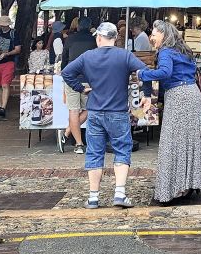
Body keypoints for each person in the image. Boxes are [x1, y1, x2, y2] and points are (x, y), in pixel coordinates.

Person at [62, 21, 145, 209]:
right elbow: (144, 71)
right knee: (122, 150)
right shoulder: (124, 55)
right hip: (118, 112)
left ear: (99, 38)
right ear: (115, 38)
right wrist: (145, 91)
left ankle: (93, 197)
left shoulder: (88, 56)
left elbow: (67, 72)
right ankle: (120, 194)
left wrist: (80, 88)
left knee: (94, 152)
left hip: (95, 111)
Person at [138, 19, 201, 204]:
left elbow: (165, 73)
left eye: (154, 34)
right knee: (189, 141)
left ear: (163, 35)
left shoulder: (166, 51)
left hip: (178, 96)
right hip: (192, 93)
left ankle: (174, 189)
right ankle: (187, 185)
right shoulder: (183, 50)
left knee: (172, 142)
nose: (151, 38)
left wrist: (142, 74)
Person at [62, 16, 99, 152]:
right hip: (89, 79)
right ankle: (68, 133)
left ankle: (77, 142)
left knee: (73, 110)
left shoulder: (70, 39)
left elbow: (64, 60)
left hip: (71, 78)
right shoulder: (94, 40)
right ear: (90, 27)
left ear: (78, 26)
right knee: (91, 108)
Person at [0, 15, 21, 119]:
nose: (3, 27)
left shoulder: (13, 33)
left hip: (8, 62)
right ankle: (0, 106)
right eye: (1, 25)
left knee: (5, 84)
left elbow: (18, 49)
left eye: (5, 25)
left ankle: (3, 107)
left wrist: (7, 54)